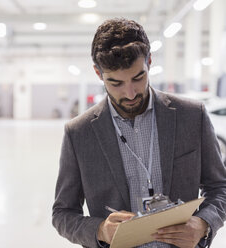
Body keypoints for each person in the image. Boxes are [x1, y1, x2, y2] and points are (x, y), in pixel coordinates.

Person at [52, 18, 226, 248]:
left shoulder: (192, 116)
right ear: (98, 73)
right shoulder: (79, 133)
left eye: (138, 78)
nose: (131, 93)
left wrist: (203, 223)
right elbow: (62, 213)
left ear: (149, 62)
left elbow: (219, 187)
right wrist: (101, 230)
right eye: (116, 83)